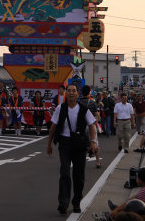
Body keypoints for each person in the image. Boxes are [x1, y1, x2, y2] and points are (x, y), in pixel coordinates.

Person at [47, 84, 97, 215]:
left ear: (77, 93)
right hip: (64, 143)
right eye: (68, 91)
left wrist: (93, 142)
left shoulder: (83, 109)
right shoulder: (60, 108)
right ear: (66, 94)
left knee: (78, 175)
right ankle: (63, 203)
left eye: (73, 91)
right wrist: (49, 144)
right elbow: (53, 126)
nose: (71, 93)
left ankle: (76, 203)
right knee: (64, 172)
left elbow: (92, 126)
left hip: (79, 145)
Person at [79, 85, 101, 168]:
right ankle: (98, 162)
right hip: (91, 126)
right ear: (89, 93)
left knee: (81, 144)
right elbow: (96, 115)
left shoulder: (78, 102)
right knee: (95, 143)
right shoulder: (92, 102)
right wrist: (98, 120)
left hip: (81, 126)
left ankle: (78, 162)